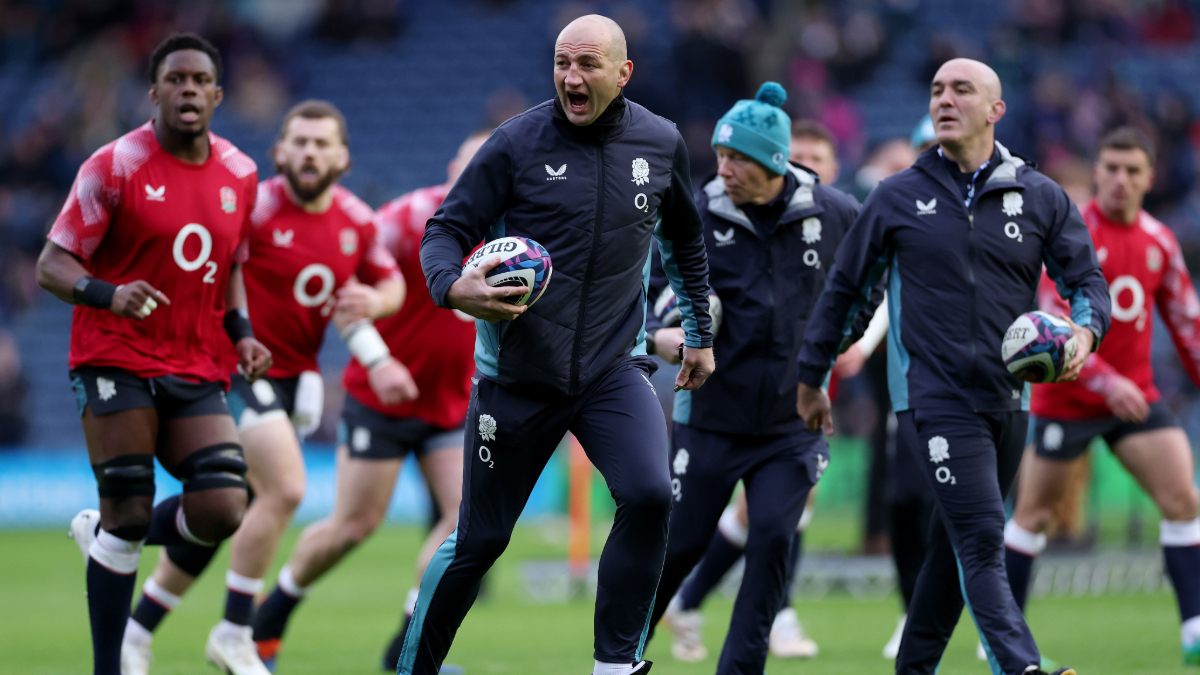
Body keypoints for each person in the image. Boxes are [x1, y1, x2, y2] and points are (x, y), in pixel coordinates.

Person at [404, 14, 716, 675]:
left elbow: (685, 238)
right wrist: (452, 287)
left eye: (588, 65)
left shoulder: (659, 144)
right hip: (516, 379)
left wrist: (698, 333)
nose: (571, 77)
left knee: (650, 492)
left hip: (611, 371)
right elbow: (444, 229)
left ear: (623, 73)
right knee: (479, 541)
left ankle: (615, 664)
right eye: (561, 63)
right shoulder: (514, 144)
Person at [795, 58, 1110, 675]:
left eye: (961, 90)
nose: (945, 99)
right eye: (936, 89)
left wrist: (1084, 333)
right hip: (931, 399)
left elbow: (1088, 282)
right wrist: (812, 378)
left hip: (1009, 401)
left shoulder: (1039, 196)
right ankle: (1021, 666)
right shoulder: (896, 197)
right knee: (984, 536)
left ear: (995, 110)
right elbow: (844, 295)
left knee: (952, 550)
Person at [118, 99, 409, 675]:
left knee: (224, 512)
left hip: (289, 383)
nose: (309, 152)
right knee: (287, 489)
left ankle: (133, 620)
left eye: (322, 143)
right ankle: (234, 632)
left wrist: (376, 303)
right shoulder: (249, 207)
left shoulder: (355, 221)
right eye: (298, 141)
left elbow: (391, 281)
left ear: (343, 157)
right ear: (278, 151)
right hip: (225, 367)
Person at [34, 33, 270, 675]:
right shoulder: (114, 165)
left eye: (200, 80)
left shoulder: (241, 173)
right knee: (132, 505)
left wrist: (243, 331)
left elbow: (233, 265)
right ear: (155, 92)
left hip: (196, 362)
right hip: (115, 354)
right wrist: (108, 294)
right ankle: (110, 665)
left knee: (225, 504)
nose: (188, 89)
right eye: (176, 79)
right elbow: (52, 265)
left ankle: (106, 532)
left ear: (218, 95)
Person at [641, 84, 863, 674]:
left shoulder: (835, 212)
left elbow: (873, 281)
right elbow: (645, 300)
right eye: (719, 154)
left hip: (791, 424)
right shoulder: (695, 212)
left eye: (737, 157)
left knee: (771, 540)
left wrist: (840, 341)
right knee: (680, 546)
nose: (724, 168)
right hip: (710, 418)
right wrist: (661, 337)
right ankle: (618, 657)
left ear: (772, 161)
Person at [251, 130, 489, 673]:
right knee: (353, 526)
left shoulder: (510, 235)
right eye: (468, 165)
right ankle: (272, 615)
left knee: (464, 523)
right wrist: (381, 360)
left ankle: (405, 646)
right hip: (381, 401)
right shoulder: (406, 220)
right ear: (451, 170)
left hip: (450, 403)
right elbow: (348, 291)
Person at [1004, 126, 1200, 667]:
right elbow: (1052, 319)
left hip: (1135, 399)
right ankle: (1002, 634)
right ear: (1097, 173)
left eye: (1132, 170)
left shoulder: (1160, 240)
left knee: (1182, 499)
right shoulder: (1072, 235)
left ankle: (1194, 628)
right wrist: (1104, 380)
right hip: (1068, 400)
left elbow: (1187, 322)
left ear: (1150, 178)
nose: (1120, 179)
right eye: (1111, 168)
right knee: (1034, 517)